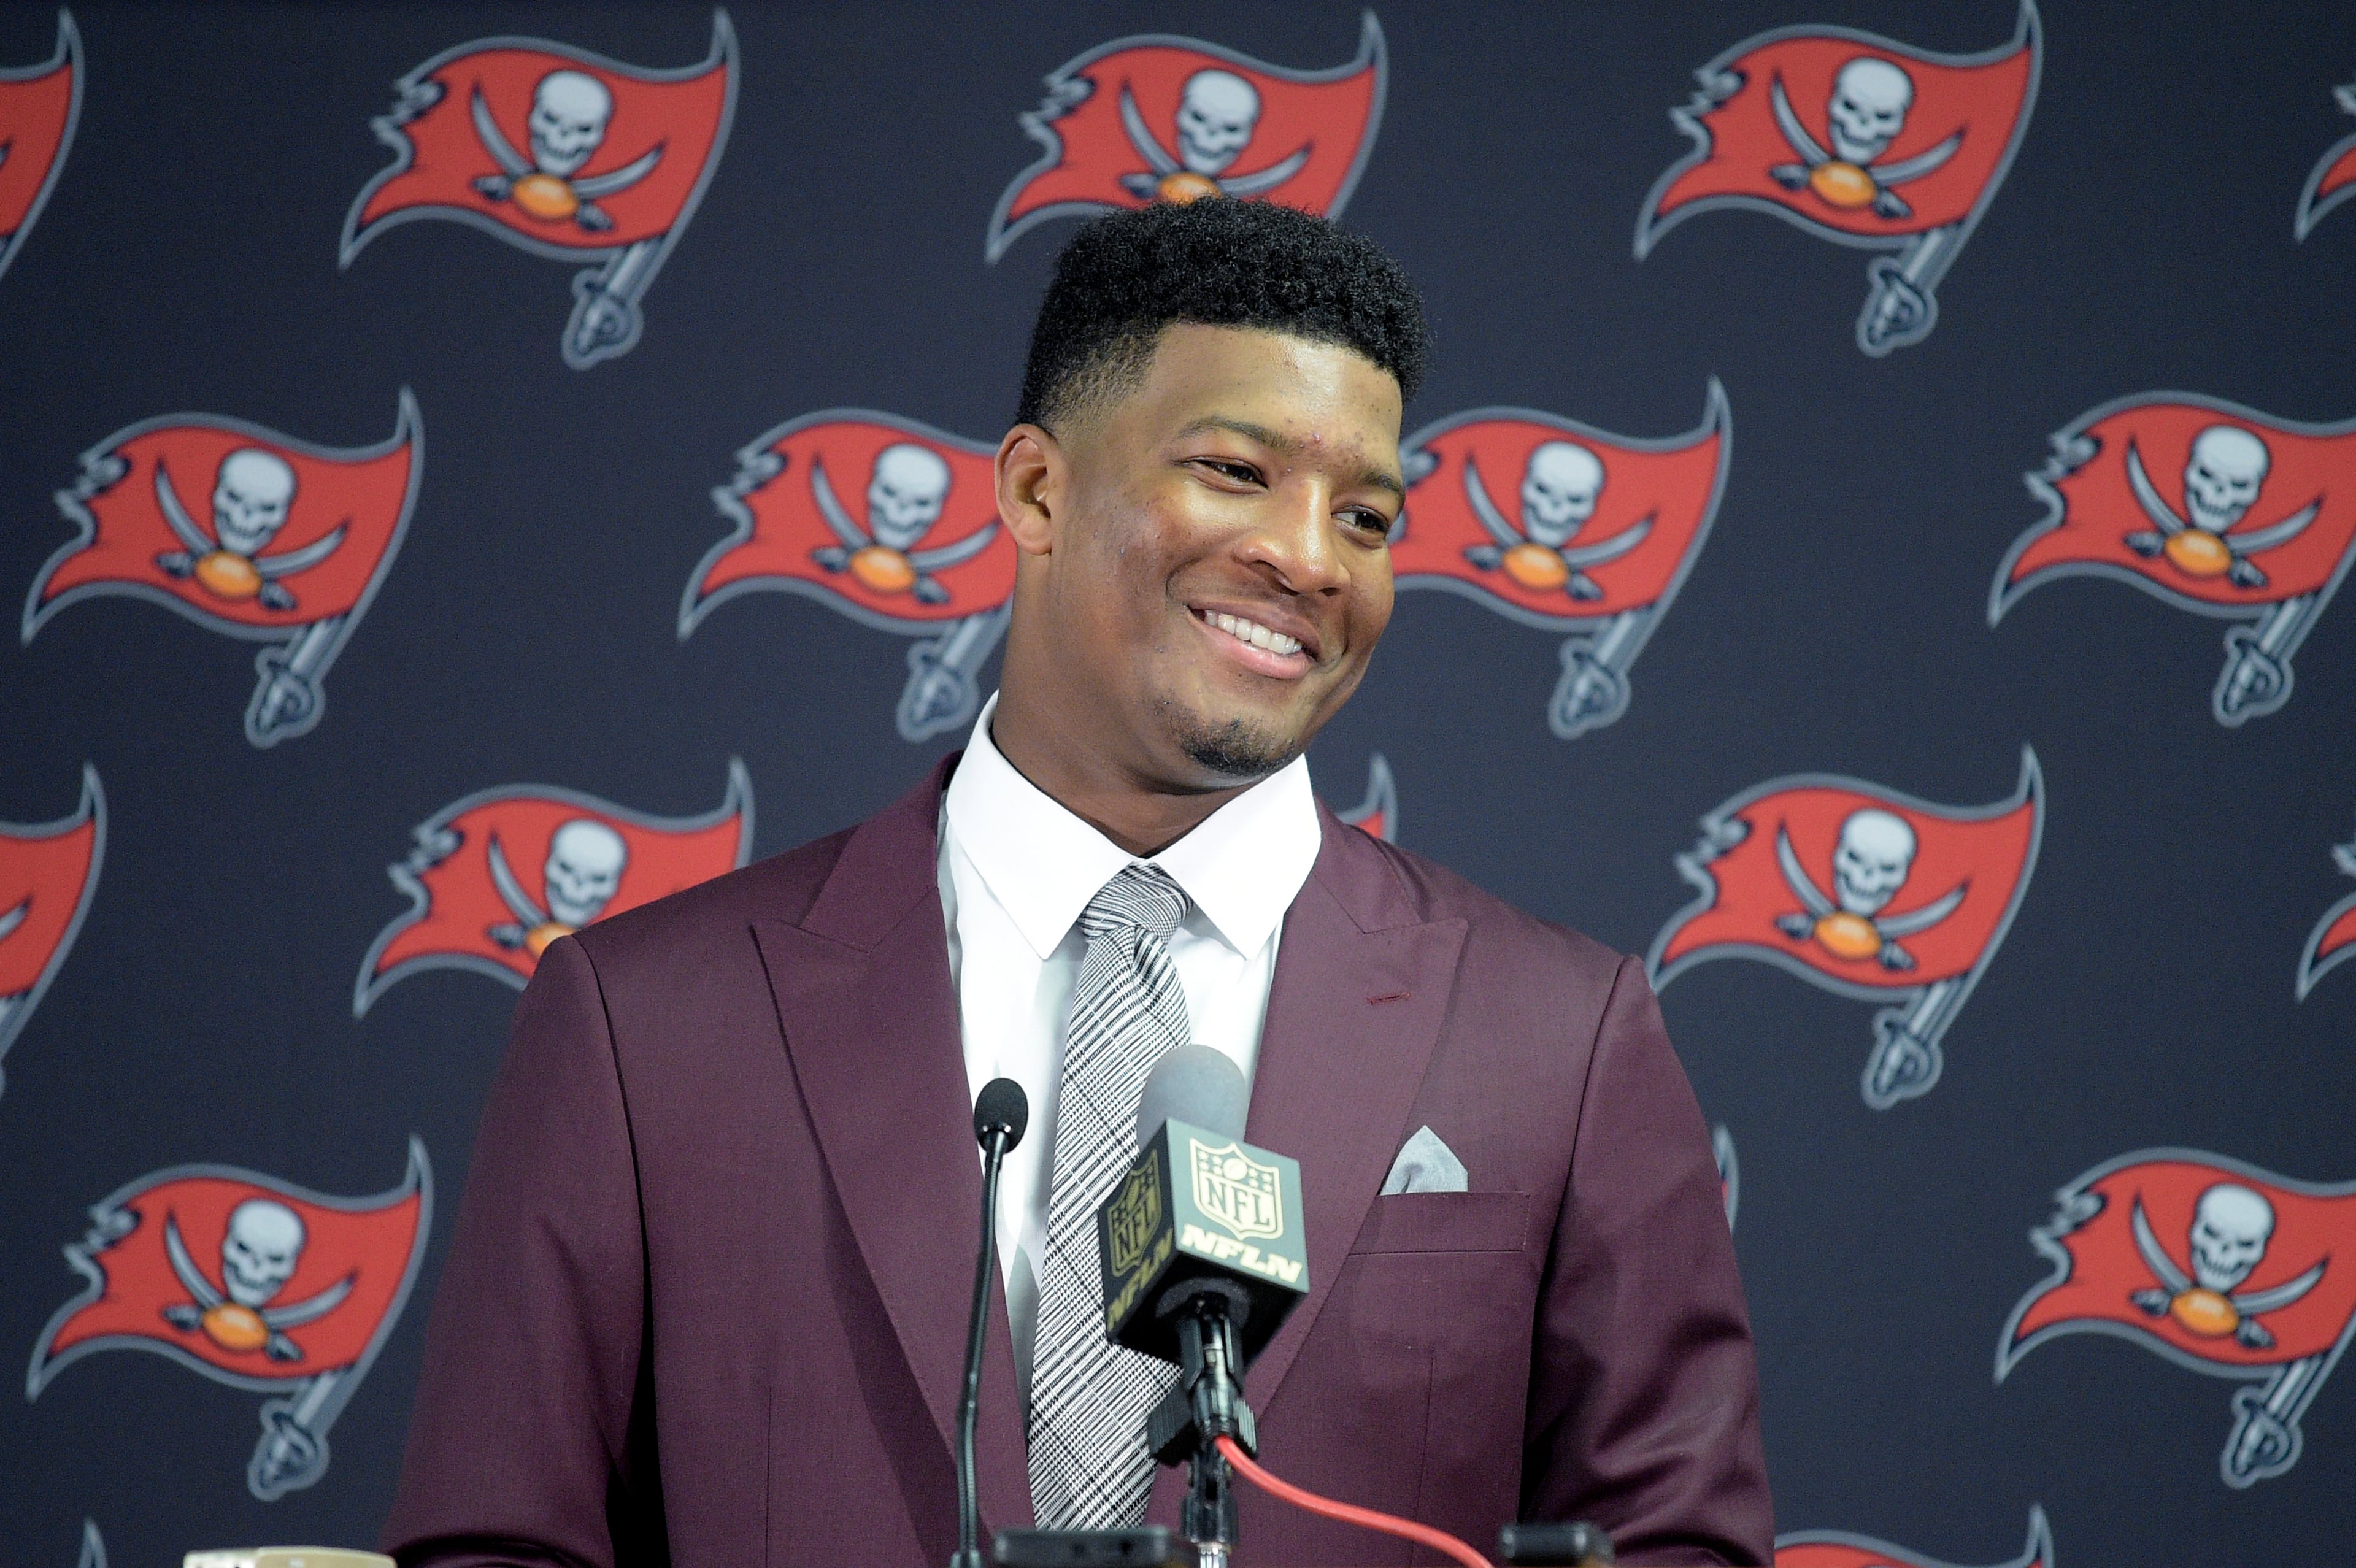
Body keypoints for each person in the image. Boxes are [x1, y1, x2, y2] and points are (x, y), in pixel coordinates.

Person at [383, 199, 1772, 1568]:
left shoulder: (1560, 1038)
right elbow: (500, 1543)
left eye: (1365, 513)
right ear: (1036, 490)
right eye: (1235, 471)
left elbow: (1678, 1547)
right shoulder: (645, 1027)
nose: (1304, 557)